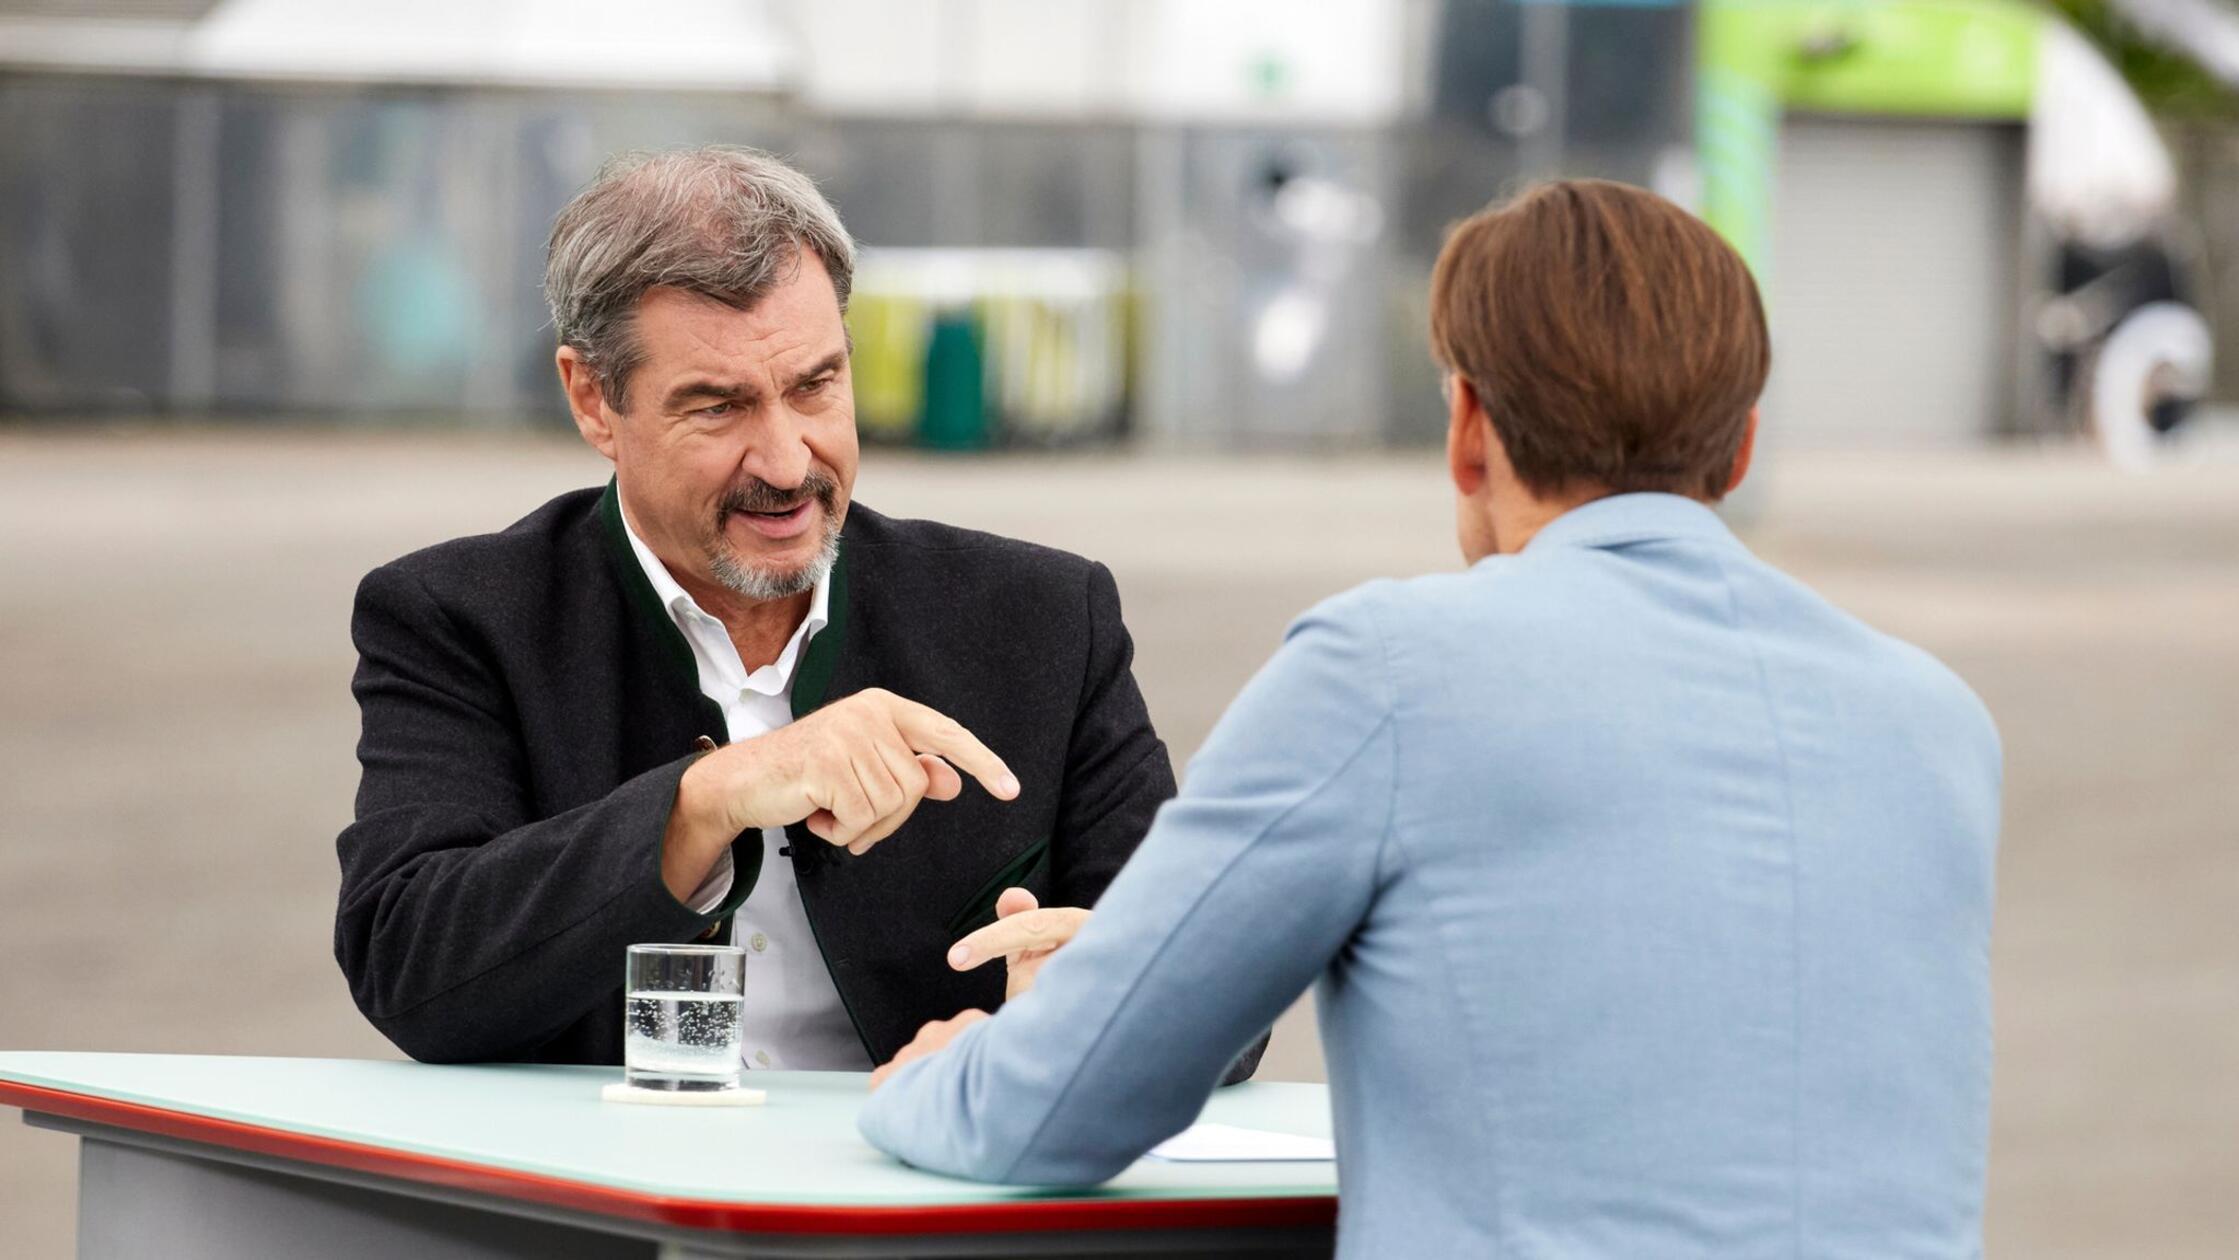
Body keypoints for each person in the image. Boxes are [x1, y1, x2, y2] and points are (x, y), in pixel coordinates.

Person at [859, 180, 2003, 1258]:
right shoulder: (1938, 724)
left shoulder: (1387, 674)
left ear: (1466, 428)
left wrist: (942, 1069)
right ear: (1742, 445)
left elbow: (1063, 1102)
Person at [335, 146, 1264, 1081]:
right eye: (718, 407)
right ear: (593, 400)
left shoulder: (1042, 617)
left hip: (929, 1199)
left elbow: (1223, 993)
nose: (786, 463)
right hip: (611, 1206)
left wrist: (1091, 1017)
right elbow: (412, 969)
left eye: (815, 386)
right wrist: (705, 803)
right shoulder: (458, 617)